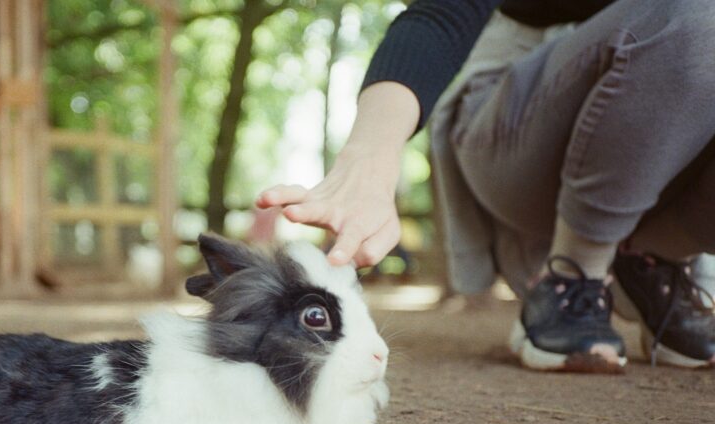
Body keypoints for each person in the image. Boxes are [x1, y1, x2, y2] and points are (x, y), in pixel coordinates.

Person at [257, 0, 715, 372]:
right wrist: (369, 158)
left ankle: (653, 253)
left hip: (668, 168)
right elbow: (440, 16)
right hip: (512, 133)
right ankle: (572, 274)